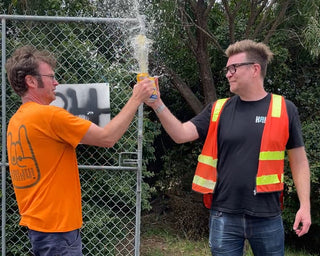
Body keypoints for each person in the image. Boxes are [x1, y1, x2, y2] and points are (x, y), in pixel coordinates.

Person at [146, 39, 311, 256]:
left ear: (255, 69)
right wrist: (156, 103)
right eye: (227, 69)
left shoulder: (284, 109)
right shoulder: (218, 109)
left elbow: (299, 161)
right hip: (224, 214)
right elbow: (180, 135)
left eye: (233, 68)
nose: (228, 74)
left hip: (267, 216)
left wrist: (305, 206)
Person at [5, 45, 154, 255]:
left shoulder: (17, 120)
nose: (56, 82)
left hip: (40, 228)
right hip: (59, 231)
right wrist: (136, 98)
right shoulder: (49, 116)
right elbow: (107, 138)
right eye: (50, 77)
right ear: (31, 80)